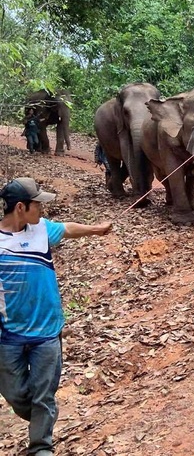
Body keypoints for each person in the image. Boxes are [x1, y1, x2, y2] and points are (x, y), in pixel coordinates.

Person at [0, 177, 112, 456]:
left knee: (43, 393)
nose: (42, 209)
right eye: (37, 204)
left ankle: (41, 447)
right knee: (16, 395)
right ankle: (42, 415)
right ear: (21, 208)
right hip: (8, 335)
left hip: (48, 331)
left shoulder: (41, 230)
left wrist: (97, 229)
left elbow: (68, 229)